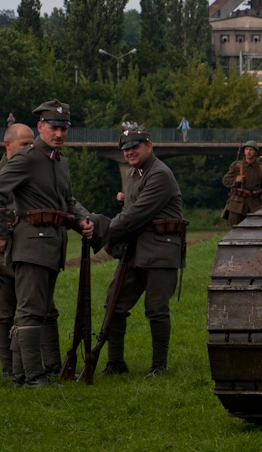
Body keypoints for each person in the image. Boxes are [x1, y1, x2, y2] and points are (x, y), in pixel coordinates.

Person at [0, 100, 95, 388]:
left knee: (38, 311)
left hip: (52, 245)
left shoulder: (60, 161)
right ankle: (33, 377)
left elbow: (66, 201)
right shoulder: (27, 157)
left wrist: (81, 219)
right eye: (54, 127)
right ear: (40, 127)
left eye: (64, 128)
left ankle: (20, 375)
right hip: (30, 243)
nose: (59, 133)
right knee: (30, 311)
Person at [95, 129, 185, 378]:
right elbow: (129, 212)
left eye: (135, 146)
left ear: (149, 146)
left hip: (160, 251)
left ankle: (159, 366)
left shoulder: (160, 175)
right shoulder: (134, 174)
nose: (130, 152)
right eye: (125, 149)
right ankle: (115, 363)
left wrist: (103, 230)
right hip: (134, 251)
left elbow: (136, 215)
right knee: (114, 303)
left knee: (156, 309)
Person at [0, 124, 36, 383]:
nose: (30, 149)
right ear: (8, 145)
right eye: (24, 145)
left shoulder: (33, 167)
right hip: (5, 245)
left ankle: (41, 366)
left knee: (36, 308)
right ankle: (9, 368)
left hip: (25, 245)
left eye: (31, 144)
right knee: (5, 312)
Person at [222, 140, 262, 225]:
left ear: (256, 152)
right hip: (237, 205)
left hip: (255, 205)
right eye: (247, 149)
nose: (248, 152)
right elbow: (225, 180)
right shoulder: (237, 166)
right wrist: (236, 180)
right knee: (235, 232)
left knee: (256, 232)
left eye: (251, 149)